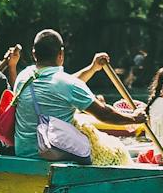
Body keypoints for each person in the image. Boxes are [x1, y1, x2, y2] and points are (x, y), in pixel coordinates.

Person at [11, 29, 142, 156]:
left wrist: (93, 68)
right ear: (61, 54)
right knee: (112, 154)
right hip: (50, 153)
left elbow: (60, 86)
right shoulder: (67, 84)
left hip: (22, 152)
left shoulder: (23, 77)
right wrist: (134, 119)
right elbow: (104, 114)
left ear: (34, 54)